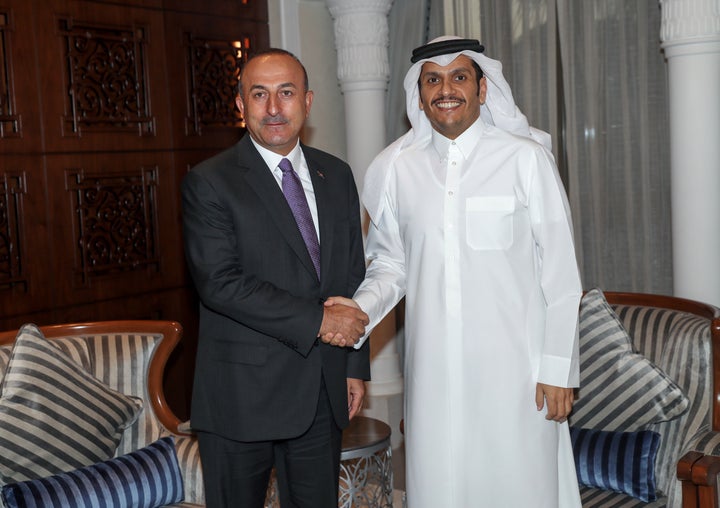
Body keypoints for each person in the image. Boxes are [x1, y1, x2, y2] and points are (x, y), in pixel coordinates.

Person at [326, 36, 583, 507]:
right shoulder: (396, 170)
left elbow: (562, 275)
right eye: (433, 80)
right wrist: (357, 310)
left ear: (483, 90)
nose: (446, 89)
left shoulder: (526, 159)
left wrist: (559, 369)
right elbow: (390, 263)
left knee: (519, 486)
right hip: (433, 375)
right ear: (419, 95)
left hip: (517, 377)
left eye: (459, 77)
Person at [181, 48, 371, 508]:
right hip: (240, 400)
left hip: (321, 394)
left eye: (285, 93)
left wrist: (353, 366)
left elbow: (350, 274)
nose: (273, 108)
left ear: (307, 100)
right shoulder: (209, 182)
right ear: (240, 106)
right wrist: (321, 323)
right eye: (259, 94)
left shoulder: (337, 175)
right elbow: (220, 283)